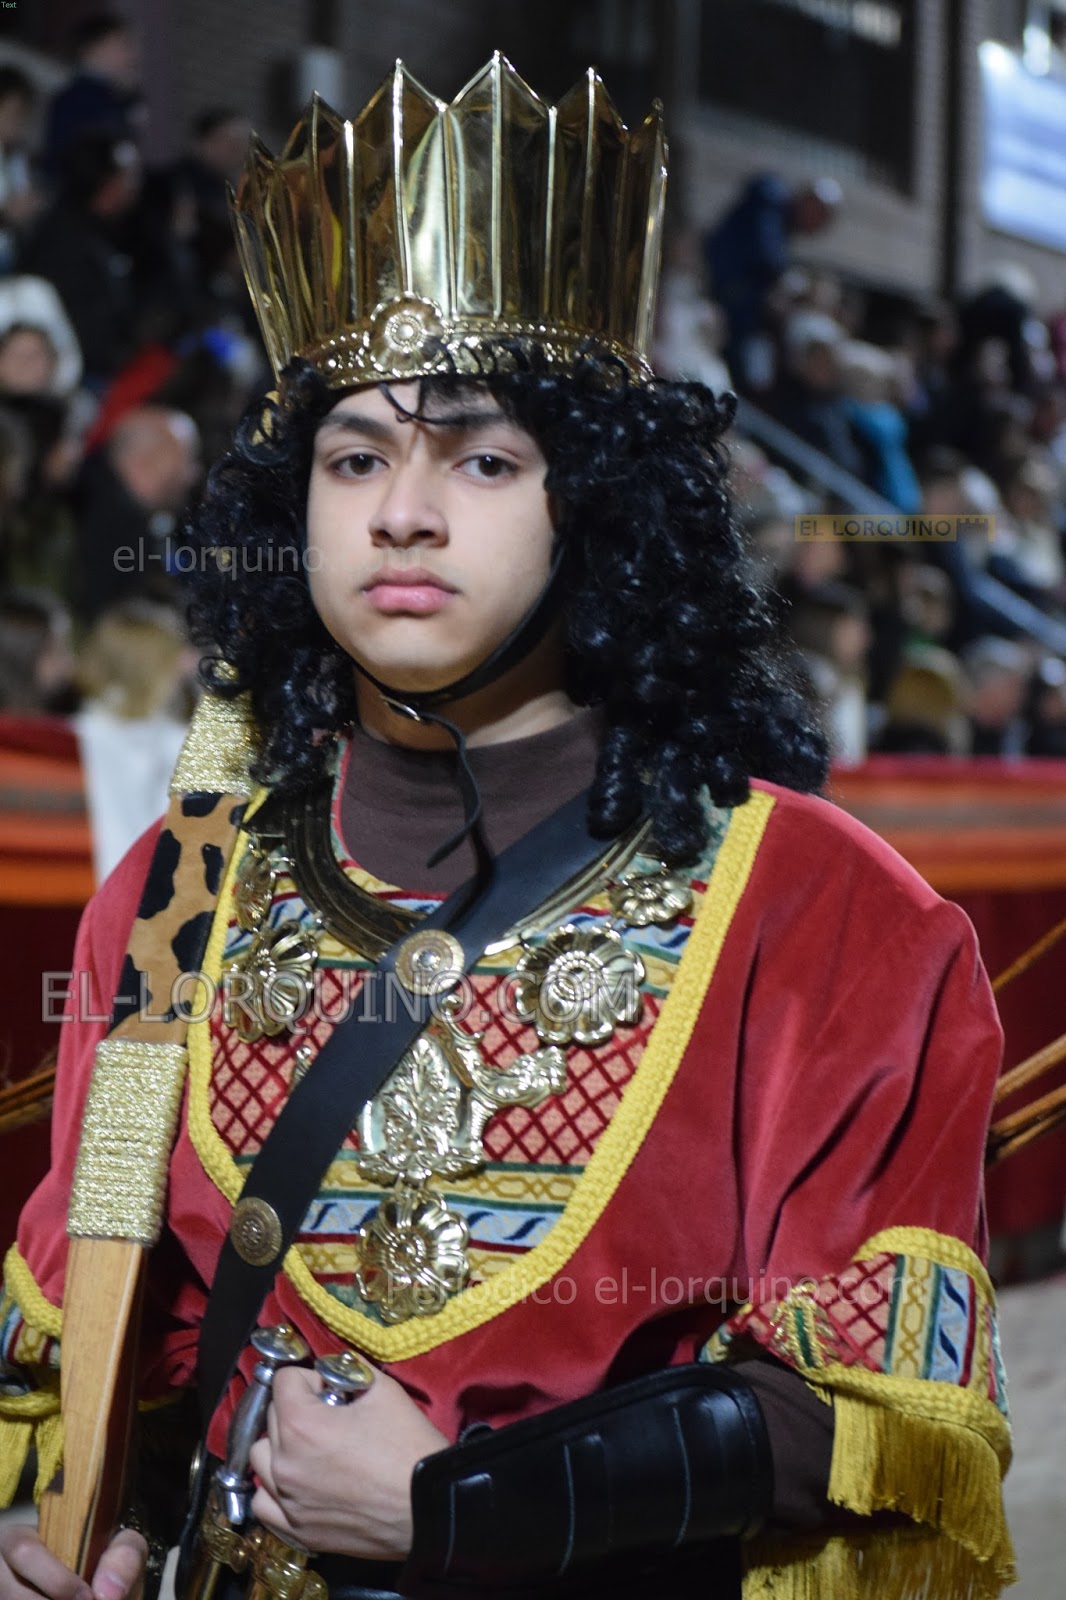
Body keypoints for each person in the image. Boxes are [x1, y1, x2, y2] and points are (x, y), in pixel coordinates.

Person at [0, 56, 1012, 1600]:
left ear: (597, 508)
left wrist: (469, 1505)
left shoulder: (826, 914)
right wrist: (80, 1532)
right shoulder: (169, 889)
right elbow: (112, 1362)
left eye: (480, 457)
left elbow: (877, 1427)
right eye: (354, 457)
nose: (400, 511)